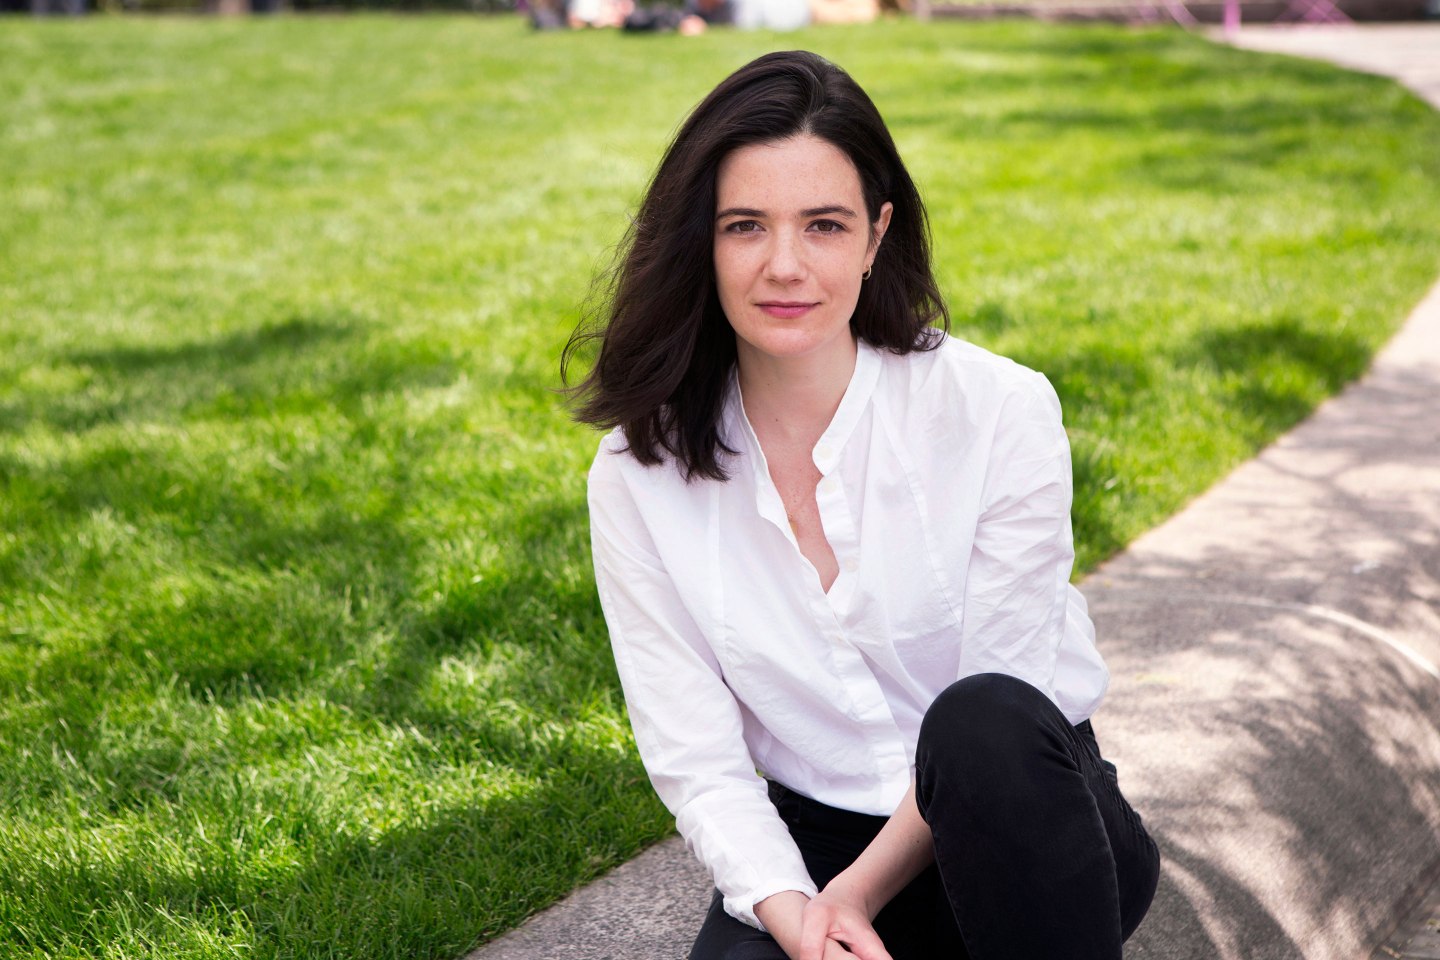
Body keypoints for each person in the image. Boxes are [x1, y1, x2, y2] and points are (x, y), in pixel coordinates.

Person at [563, 50, 1160, 960]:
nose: (785, 265)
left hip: (1022, 822)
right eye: (746, 226)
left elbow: (1009, 694)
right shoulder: (637, 476)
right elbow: (700, 761)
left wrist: (857, 895)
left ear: (877, 235)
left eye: (825, 225)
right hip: (819, 841)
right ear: (702, 241)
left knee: (979, 717)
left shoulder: (998, 411)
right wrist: (796, 912)